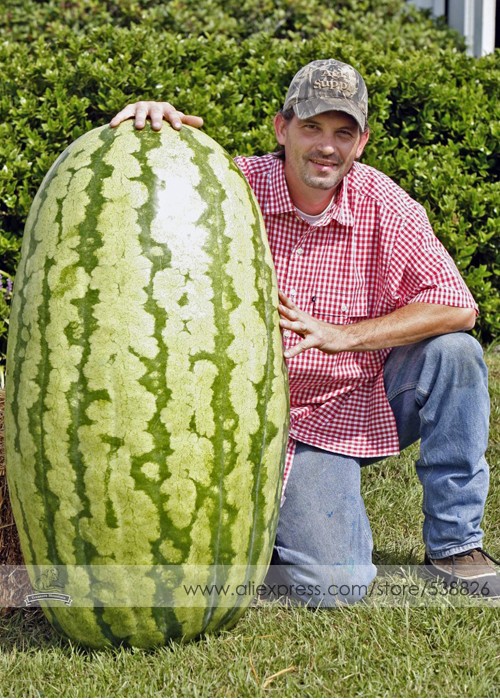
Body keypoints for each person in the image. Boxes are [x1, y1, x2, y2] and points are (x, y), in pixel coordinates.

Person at [110, 58, 499, 603]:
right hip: (249, 418)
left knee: (455, 354)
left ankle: (455, 546)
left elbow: (458, 307)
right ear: (282, 128)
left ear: (360, 142)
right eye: (312, 127)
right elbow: (150, 189)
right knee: (335, 587)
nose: (326, 146)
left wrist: (346, 334)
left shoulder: (383, 203)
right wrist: (153, 125)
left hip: (349, 402)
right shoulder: (232, 187)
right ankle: (270, 515)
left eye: (343, 133)